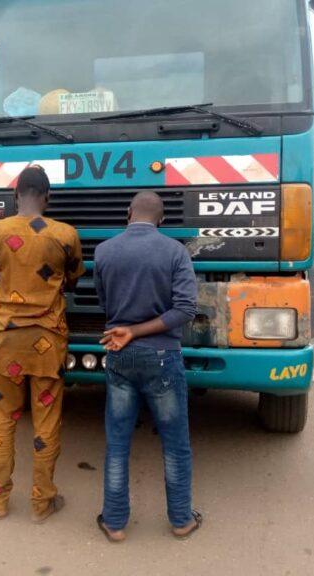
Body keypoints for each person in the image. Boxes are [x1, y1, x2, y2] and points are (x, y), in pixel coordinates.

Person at [94, 191, 201, 543]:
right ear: (162, 219)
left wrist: (128, 329)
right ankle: (182, 520)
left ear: (128, 213)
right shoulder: (175, 252)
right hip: (162, 357)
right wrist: (141, 330)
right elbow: (185, 309)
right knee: (175, 443)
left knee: (118, 441)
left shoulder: (104, 251)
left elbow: (105, 303)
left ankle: (114, 522)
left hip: (119, 357)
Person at [0, 166, 84, 523]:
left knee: (3, 421)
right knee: (46, 423)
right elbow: (72, 278)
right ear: (48, 196)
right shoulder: (65, 234)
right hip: (48, 344)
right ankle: (42, 502)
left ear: (15, 196)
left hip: (7, 342)